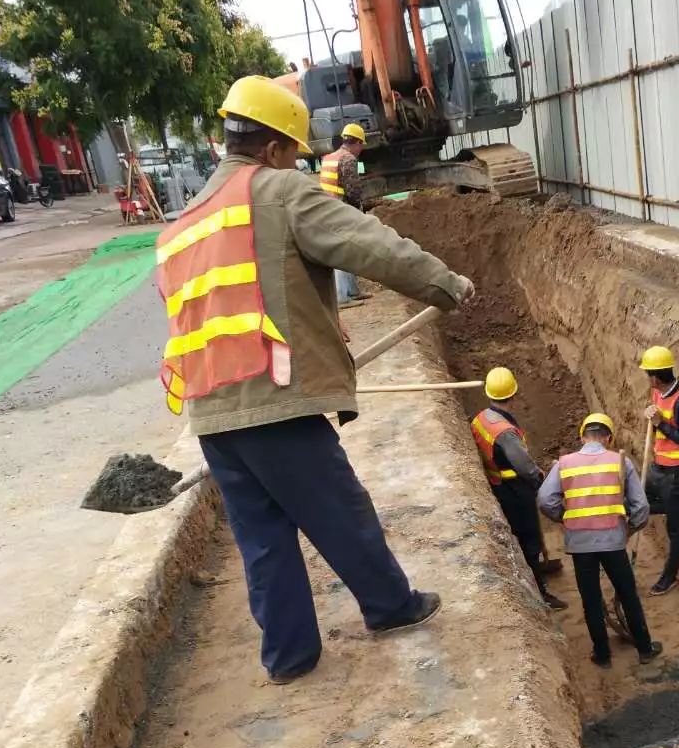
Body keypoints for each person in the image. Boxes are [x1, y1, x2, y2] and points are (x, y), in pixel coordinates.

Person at [156, 76, 473, 684]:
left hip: (211, 412)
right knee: (338, 509)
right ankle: (390, 607)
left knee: (264, 539)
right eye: (293, 153)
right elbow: (368, 243)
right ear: (274, 148)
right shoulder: (276, 193)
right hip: (274, 397)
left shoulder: (181, 226)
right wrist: (445, 285)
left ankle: (289, 657)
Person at [538, 412, 661, 668]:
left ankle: (602, 654)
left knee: (591, 599)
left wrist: (565, 517)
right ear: (608, 437)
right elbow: (641, 507)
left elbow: (545, 500)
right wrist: (631, 528)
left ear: (583, 436)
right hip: (613, 541)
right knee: (628, 595)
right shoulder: (619, 462)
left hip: (580, 544)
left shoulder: (564, 464)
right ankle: (645, 649)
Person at [471, 367, 567, 611]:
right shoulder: (506, 433)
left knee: (527, 535)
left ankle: (537, 570)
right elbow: (524, 466)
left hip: (499, 484)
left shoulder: (482, 418)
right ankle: (540, 592)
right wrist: (541, 481)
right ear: (512, 394)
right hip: (513, 489)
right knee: (529, 538)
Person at [640, 345, 679, 597]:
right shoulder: (658, 394)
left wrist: (659, 423)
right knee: (641, 504)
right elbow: (659, 428)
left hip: (677, 471)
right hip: (658, 466)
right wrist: (653, 420)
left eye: (647, 374)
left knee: (674, 527)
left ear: (654, 377)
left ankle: (670, 576)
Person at [319, 123, 370, 304]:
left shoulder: (330, 157)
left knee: (348, 249)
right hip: (339, 209)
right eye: (361, 145)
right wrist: (359, 210)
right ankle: (342, 297)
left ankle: (353, 291)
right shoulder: (348, 159)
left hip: (328, 207)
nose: (361, 149)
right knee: (343, 251)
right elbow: (352, 190)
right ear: (355, 142)